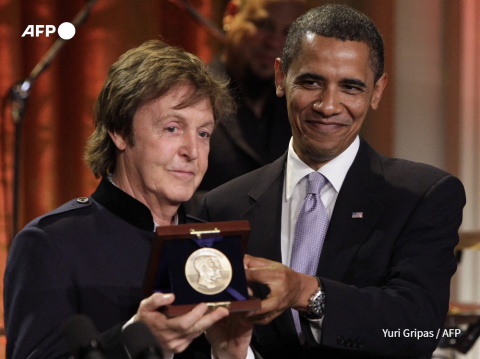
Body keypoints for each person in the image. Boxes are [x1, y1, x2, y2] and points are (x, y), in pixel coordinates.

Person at [199, 4, 466, 359]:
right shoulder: (222, 206)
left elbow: (416, 328)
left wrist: (309, 293)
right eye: (311, 82)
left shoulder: (422, 195)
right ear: (281, 77)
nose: (328, 105)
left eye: (351, 87)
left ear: (377, 91)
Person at [4, 40, 252, 359]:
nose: (193, 151)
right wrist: (131, 341)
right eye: (173, 128)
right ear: (119, 131)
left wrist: (231, 355)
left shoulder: (215, 246)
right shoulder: (51, 244)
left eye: (203, 133)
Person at [191, 0, 308, 207]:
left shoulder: (301, 110)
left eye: (288, 32)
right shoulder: (189, 99)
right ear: (231, 14)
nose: (274, 43)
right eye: (263, 25)